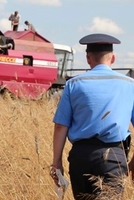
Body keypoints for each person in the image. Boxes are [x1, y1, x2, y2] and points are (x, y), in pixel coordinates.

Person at [51, 33, 134, 199]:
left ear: (88, 58)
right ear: (113, 58)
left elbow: (61, 126)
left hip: (81, 157)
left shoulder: (73, 84)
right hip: (114, 158)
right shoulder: (130, 85)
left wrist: (57, 162)